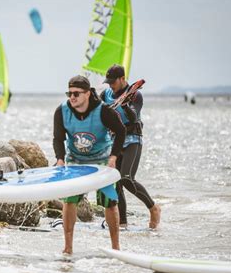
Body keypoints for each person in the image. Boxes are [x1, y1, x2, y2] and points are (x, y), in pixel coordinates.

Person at [53, 75, 126, 252]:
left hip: (101, 160)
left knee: (110, 202)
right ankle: (68, 247)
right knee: (69, 201)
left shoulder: (103, 111)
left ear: (87, 93)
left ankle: (115, 247)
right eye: (69, 93)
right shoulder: (62, 111)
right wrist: (60, 159)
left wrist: (114, 157)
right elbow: (58, 138)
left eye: (76, 93)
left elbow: (121, 131)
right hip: (75, 160)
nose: (72, 97)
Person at [102, 64, 161, 229]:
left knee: (126, 179)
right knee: (116, 182)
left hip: (133, 139)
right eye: (108, 82)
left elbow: (134, 118)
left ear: (122, 79)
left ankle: (153, 208)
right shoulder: (106, 94)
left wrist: (125, 105)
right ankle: (122, 223)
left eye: (113, 82)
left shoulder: (136, 95)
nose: (110, 86)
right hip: (115, 141)